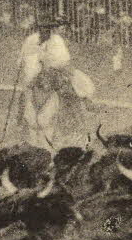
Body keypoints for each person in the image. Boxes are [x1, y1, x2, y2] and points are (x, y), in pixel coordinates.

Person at [19, 16, 94, 148]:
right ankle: (22, 127)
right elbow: (21, 61)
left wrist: (49, 65)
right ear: (38, 28)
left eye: (48, 28)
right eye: (42, 27)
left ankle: (72, 126)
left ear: (51, 29)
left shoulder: (57, 40)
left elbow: (64, 61)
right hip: (32, 81)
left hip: (52, 77)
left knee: (71, 89)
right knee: (26, 108)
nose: (45, 30)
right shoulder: (30, 40)